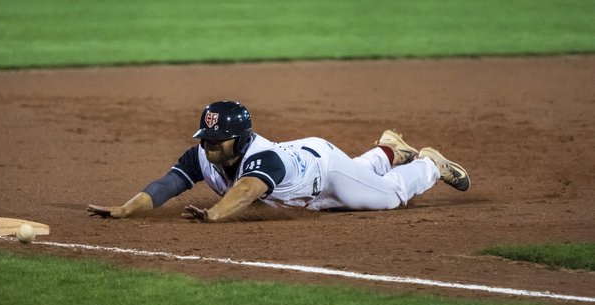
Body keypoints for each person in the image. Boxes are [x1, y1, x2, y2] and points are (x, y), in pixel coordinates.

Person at [87, 100, 469, 222]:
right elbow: (167, 185)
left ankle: (429, 165)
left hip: (325, 168)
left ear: (239, 138)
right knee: (355, 187)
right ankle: (389, 150)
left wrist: (215, 214)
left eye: (217, 142)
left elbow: (248, 189)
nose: (208, 148)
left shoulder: (263, 158)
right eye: (206, 139)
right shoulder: (202, 155)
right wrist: (126, 208)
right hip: (308, 182)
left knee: (387, 197)